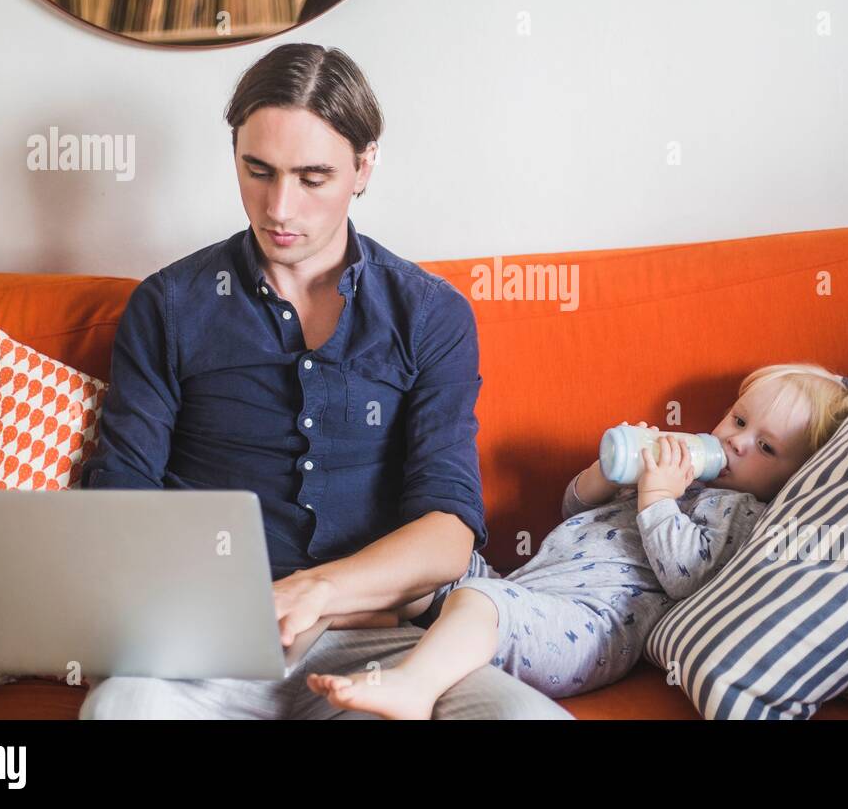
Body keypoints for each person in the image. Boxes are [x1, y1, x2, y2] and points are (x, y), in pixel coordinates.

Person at [78, 43, 571, 719]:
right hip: (209, 653)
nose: (280, 207)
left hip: (384, 646)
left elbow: (448, 528)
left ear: (364, 166)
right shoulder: (168, 306)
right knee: (119, 711)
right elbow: (121, 502)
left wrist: (317, 591)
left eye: (313, 177)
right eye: (259, 171)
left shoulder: (430, 313)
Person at [306, 365, 848, 719]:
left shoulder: (744, 514)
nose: (737, 443)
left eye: (766, 448)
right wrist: (613, 471)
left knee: (480, 602)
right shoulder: (684, 473)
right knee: (440, 564)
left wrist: (657, 499)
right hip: (524, 591)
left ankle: (411, 686)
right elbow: (573, 508)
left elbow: (688, 578)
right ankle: (330, 615)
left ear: (798, 474)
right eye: (738, 420)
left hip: (586, 631)